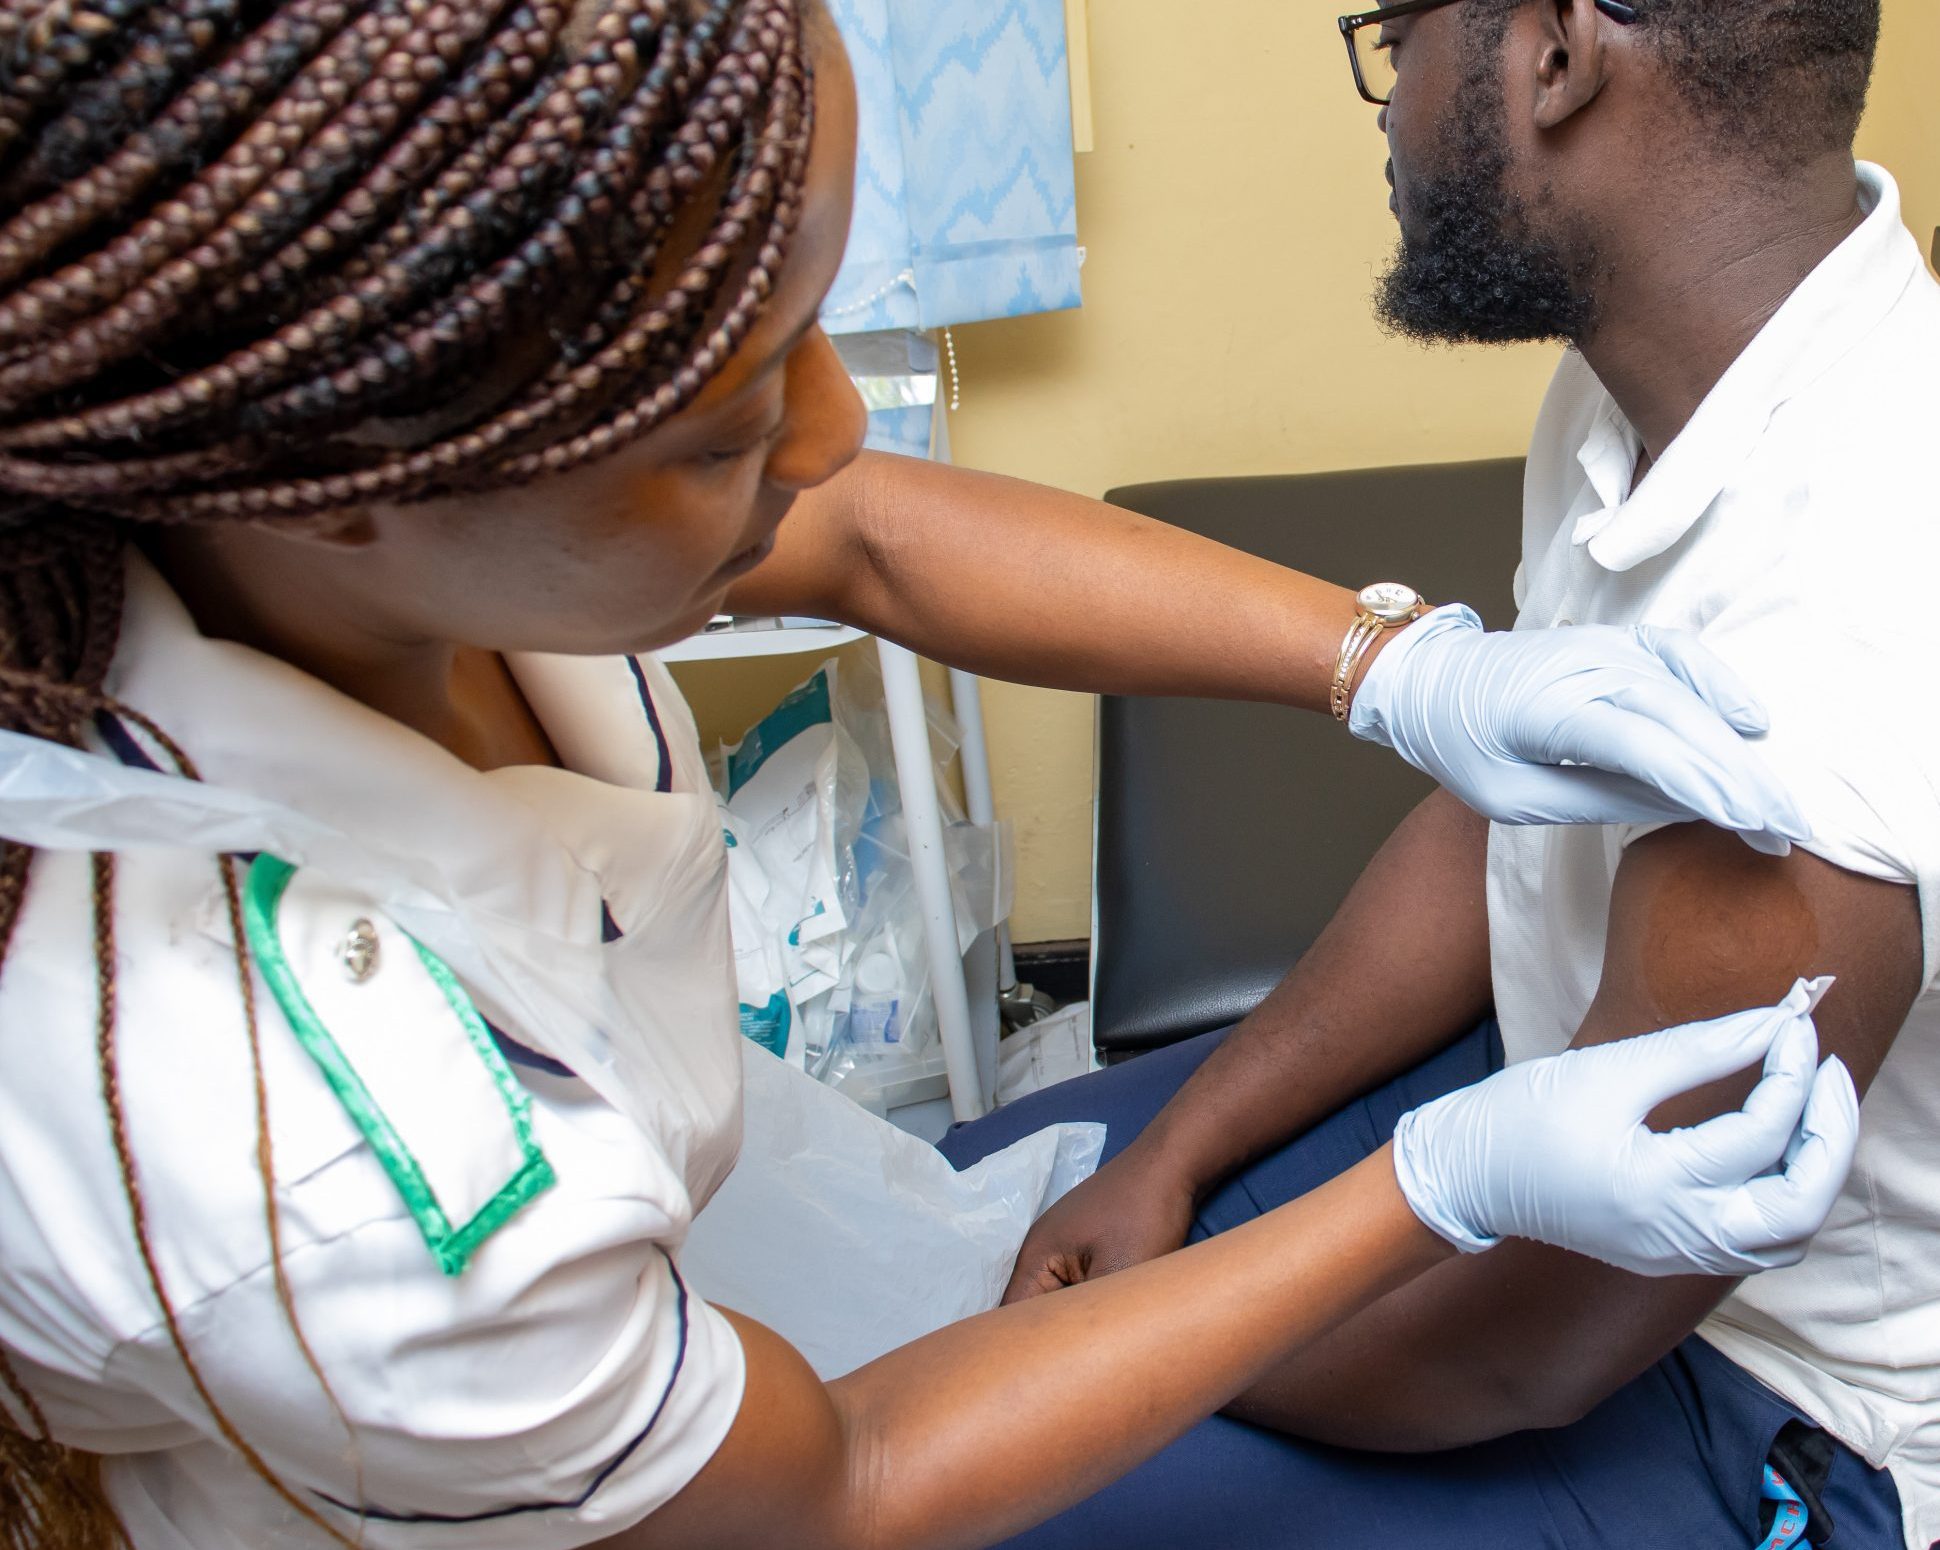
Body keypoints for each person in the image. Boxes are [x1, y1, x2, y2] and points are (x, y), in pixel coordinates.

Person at [0, 2, 1854, 1548]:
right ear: (358, 476)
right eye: (732, 419)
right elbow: (845, 1484)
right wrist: (1410, 1191)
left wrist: (1402, 666)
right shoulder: (329, 1161)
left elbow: (877, 538)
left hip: (1758, 1386)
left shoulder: (358, 512)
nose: (832, 433)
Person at [960, 1, 1938, 1547]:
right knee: (977, 1192)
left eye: (1395, 32)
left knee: (981, 1473)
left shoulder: (1838, 611)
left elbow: (1532, 1340)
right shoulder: (1653, 384)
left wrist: (1143, 1337)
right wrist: (1181, 1151)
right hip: (1543, 1109)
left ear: (1555, 52)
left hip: (1756, 1389)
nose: (1384, 96)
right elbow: (1497, 820)